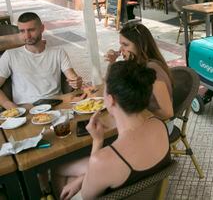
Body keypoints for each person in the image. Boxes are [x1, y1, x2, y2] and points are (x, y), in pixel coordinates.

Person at [53, 61, 171, 200]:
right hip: (150, 193)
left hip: (108, 181)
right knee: (73, 174)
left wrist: (97, 141)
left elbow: (87, 196)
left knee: (56, 170)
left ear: (110, 100)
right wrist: (82, 179)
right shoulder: (159, 125)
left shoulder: (102, 160)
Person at [0, 12, 83, 109]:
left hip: (57, 104)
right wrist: (9, 105)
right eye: (22, 31)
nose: (27, 36)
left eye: (31, 30)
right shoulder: (10, 55)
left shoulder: (58, 52)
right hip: (25, 109)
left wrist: (76, 82)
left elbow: (72, 77)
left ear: (42, 28)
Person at [104, 22, 173, 121]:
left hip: (161, 125)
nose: (120, 49)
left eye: (125, 45)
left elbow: (168, 113)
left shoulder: (152, 69)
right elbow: (110, 88)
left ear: (139, 45)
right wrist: (112, 62)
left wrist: (135, 112)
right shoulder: (135, 65)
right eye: (121, 44)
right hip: (144, 119)